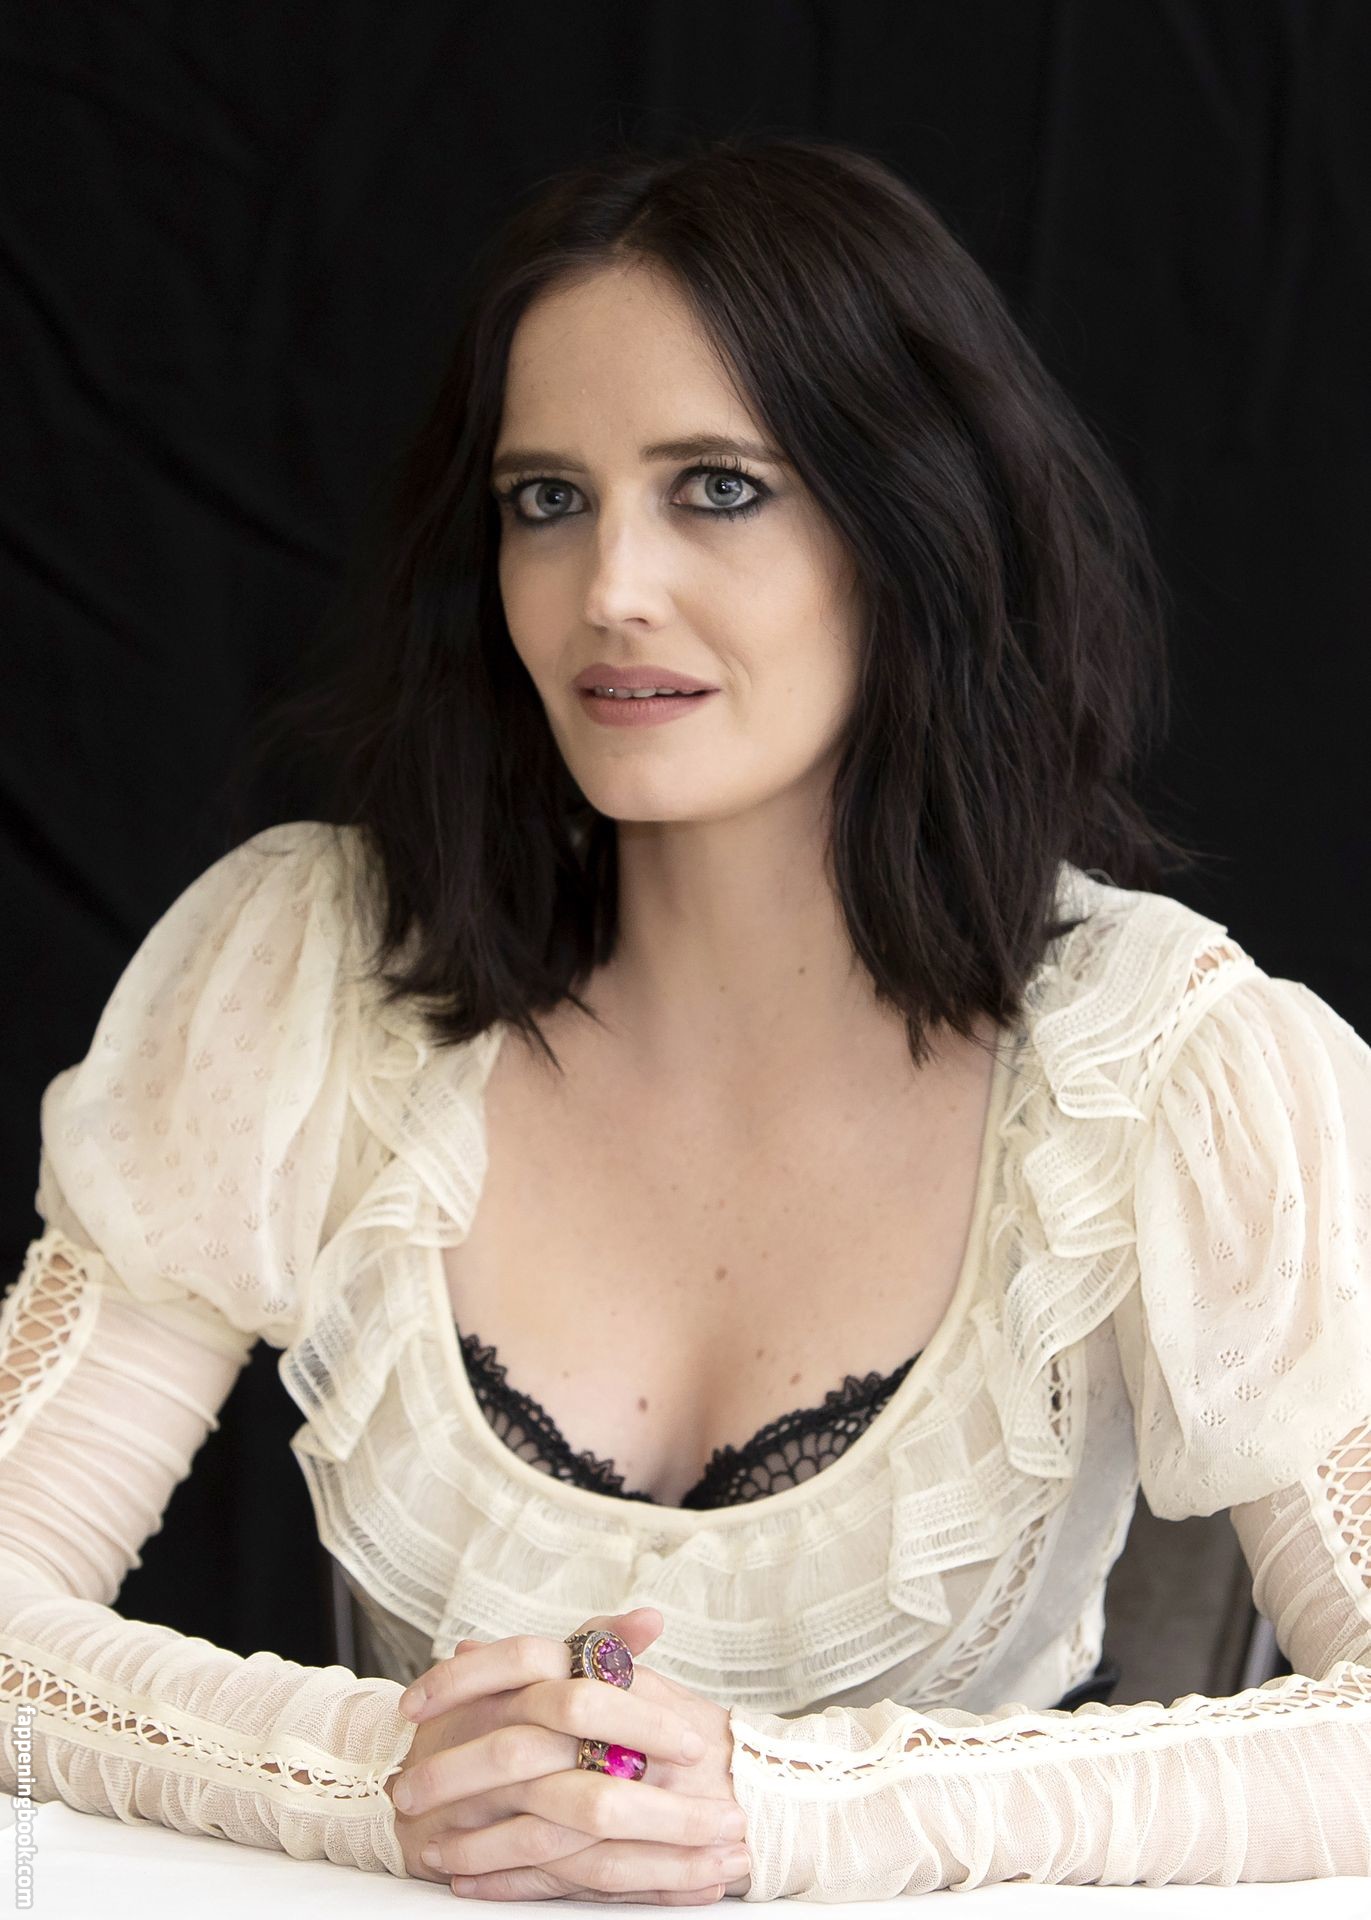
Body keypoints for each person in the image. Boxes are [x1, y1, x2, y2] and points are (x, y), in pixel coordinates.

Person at [2, 130, 1369, 1901]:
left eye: (717, 487)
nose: (610, 589)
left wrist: (781, 1812)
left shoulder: (1165, 1061)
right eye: (545, 499)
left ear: (913, 523)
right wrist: (374, 1776)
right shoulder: (317, 969)